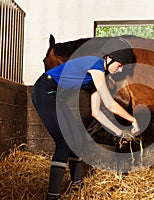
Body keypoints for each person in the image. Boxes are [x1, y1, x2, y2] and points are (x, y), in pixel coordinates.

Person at [31, 37, 140, 200]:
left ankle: (77, 187)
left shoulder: (99, 75)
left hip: (55, 96)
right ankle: (52, 196)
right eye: (120, 63)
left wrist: (119, 132)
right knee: (64, 142)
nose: (121, 68)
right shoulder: (95, 65)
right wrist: (132, 120)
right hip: (45, 90)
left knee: (77, 139)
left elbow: (97, 112)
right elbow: (109, 104)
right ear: (109, 58)